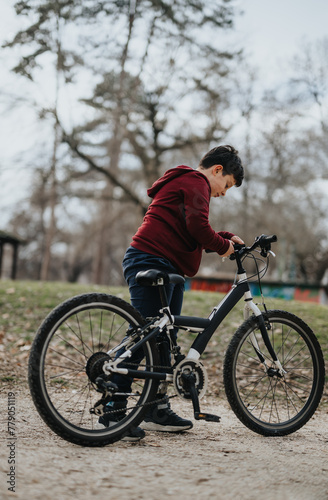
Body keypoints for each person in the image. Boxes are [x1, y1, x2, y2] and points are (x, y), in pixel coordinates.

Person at [98, 145, 244, 441]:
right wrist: (222, 247)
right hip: (151, 258)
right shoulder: (195, 181)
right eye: (227, 185)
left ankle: (155, 407)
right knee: (144, 335)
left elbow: (190, 227)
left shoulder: (191, 184)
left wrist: (225, 238)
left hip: (167, 266)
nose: (224, 193)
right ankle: (114, 408)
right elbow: (197, 226)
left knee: (164, 338)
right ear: (217, 170)